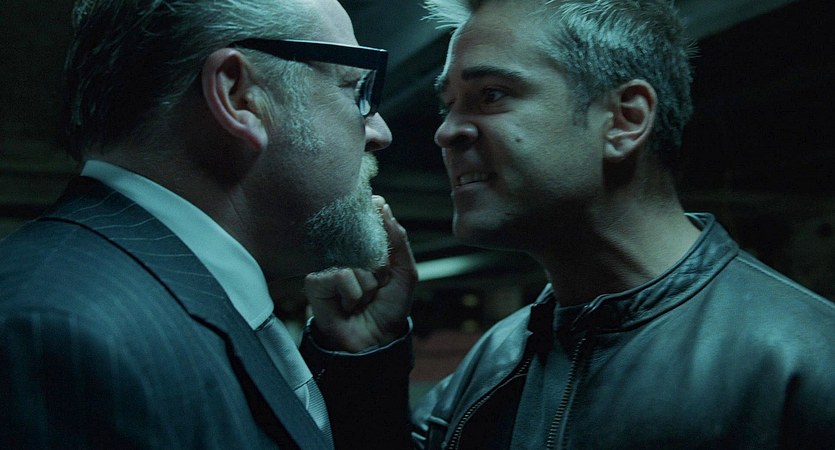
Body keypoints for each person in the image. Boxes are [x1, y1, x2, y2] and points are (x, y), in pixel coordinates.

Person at [307, 0, 835, 448]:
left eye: (491, 94)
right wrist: (364, 359)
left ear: (625, 119)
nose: (446, 132)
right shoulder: (496, 358)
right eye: (448, 106)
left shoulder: (806, 362)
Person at [0, 0, 417, 448]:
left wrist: (358, 366)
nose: (380, 132)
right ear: (240, 97)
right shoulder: (61, 338)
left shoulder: (127, 311)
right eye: (355, 87)